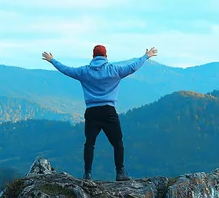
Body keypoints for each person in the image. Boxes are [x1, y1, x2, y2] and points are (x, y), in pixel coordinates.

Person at [41, 45, 158, 182]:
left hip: (92, 111)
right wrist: (146, 56)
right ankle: (120, 173)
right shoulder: (114, 70)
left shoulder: (84, 71)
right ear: (106, 56)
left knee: (90, 143)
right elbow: (132, 67)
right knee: (117, 143)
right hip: (109, 111)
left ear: (93, 56)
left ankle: (87, 174)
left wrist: (52, 60)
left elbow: (67, 70)